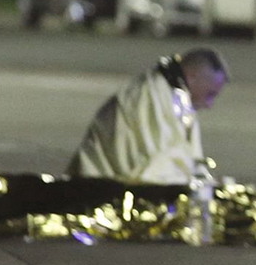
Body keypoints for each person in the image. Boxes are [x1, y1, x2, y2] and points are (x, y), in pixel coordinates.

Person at [65, 48, 229, 185]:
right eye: (210, 94)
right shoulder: (148, 97)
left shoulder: (175, 98)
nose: (209, 104)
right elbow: (153, 167)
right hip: (95, 192)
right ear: (192, 77)